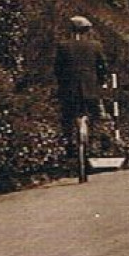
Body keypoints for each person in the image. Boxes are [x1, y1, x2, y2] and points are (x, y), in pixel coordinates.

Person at [53, 15, 109, 159]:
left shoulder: (63, 46)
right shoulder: (95, 46)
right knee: (98, 115)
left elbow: (57, 69)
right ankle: (101, 140)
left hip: (69, 90)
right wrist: (102, 81)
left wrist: (62, 83)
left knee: (66, 117)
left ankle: (68, 144)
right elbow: (103, 67)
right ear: (87, 30)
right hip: (90, 89)